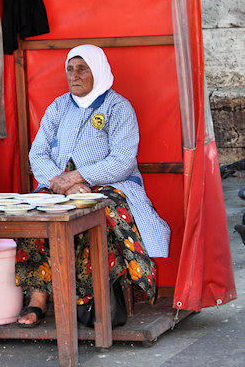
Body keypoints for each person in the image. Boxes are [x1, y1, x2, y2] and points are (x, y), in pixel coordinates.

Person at [16, 44, 171, 326]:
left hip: (111, 183)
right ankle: (37, 298)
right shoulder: (58, 107)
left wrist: (78, 177)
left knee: (98, 214)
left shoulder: (118, 107)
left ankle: (92, 298)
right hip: (58, 185)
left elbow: (123, 161)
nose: (74, 75)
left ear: (97, 71)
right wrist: (61, 183)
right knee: (35, 215)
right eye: (70, 69)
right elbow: (37, 154)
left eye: (82, 69)